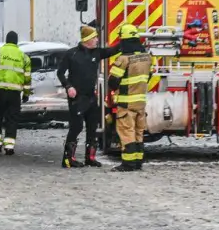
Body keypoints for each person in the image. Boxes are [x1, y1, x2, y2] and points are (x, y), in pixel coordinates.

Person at [55, 24, 116, 168]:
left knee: (92, 127)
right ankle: (68, 159)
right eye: (94, 37)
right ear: (87, 39)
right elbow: (60, 73)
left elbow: (112, 51)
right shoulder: (72, 54)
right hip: (77, 98)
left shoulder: (97, 53)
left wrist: (127, 42)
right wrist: (68, 86)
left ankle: (91, 157)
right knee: (76, 127)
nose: (96, 40)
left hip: (91, 97)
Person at [107, 23, 153, 171]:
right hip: (141, 102)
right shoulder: (147, 57)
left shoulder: (123, 59)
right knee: (139, 132)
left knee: (127, 132)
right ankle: (138, 161)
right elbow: (149, 76)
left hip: (126, 104)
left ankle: (128, 163)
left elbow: (112, 82)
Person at [0, 32, 30, 155]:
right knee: (12, 119)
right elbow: (27, 78)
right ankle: (9, 147)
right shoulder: (24, 57)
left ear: (6, 40)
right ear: (16, 41)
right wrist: (26, 93)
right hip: (15, 93)